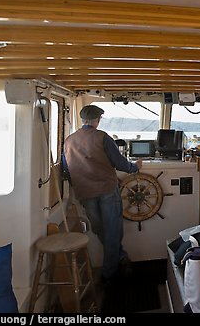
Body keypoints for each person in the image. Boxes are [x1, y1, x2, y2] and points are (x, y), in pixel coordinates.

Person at [62, 105, 143, 284]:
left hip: (85, 192)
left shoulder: (68, 140)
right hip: (107, 190)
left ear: (83, 120)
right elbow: (120, 163)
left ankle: (120, 259)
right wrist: (134, 167)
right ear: (98, 120)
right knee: (112, 231)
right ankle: (109, 273)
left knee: (100, 230)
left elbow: (67, 168)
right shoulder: (103, 138)